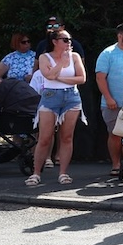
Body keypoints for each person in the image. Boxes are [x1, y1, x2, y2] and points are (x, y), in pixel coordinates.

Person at [28, 27, 87, 186]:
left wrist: (59, 77)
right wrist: (61, 62)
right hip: (50, 96)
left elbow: (81, 78)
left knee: (66, 137)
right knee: (45, 137)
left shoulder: (75, 56)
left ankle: (63, 172)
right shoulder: (44, 57)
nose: (69, 43)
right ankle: (36, 173)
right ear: (55, 42)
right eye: (65, 40)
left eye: (70, 40)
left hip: (71, 97)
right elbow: (48, 76)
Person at [95, 22, 123, 179]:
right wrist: (108, 98)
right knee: (114, 135)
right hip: (112, 103)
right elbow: (100, 78)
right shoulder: (107, 53)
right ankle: (115, 164)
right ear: (120, 36)